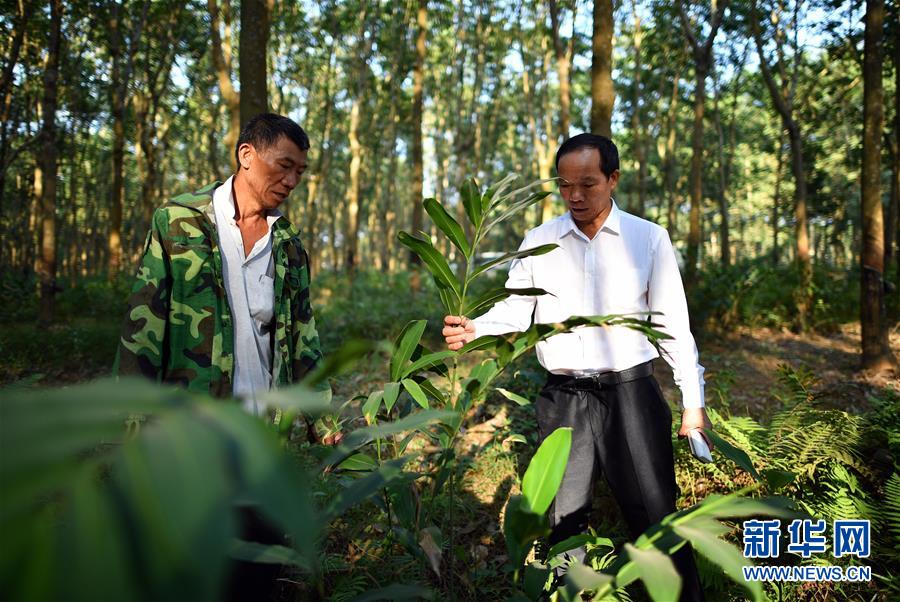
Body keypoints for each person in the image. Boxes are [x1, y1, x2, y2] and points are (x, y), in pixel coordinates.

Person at [442, 133, 709, 600]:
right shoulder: (540, 241)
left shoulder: (648, 238)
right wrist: (474, 328)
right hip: (563, 399)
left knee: (655, 516)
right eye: (565, 185)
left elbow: (672, 328)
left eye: (588, 183)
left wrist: (693, 404)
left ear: (613, 179)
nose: (576, 196)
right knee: (564, 523)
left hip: (631, 395)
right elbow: (515, 308)